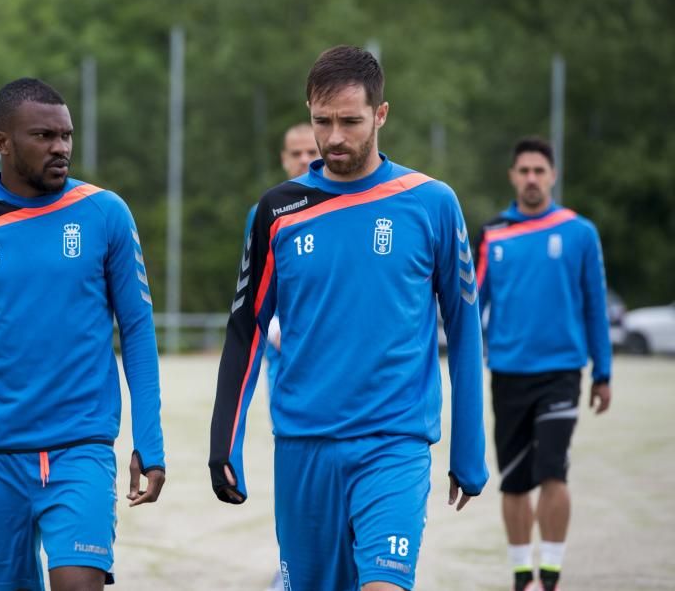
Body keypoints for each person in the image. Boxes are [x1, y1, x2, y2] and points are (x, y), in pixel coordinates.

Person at [209, 44, 488, 591]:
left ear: (381, 116)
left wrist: (469, 448)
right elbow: (245, 329)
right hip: (303, 445)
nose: (335, 137)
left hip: (394, 442)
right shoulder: (276, 212)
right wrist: (226, 439)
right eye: (322, 121)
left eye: (351, 121)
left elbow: (463, 327)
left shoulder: (431, 203)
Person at [0, 78, 165, 590]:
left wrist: (150, 441)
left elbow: (137, 330)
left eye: (67, 135)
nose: (61, 148)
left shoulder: (105, 213)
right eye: (44, 136)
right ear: (2, 143)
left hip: (82, 448)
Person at [476, 137, 612, 591]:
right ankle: (521, 576)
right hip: (508, 373)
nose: (531, 178)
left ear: (552, 175)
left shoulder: (579, 232)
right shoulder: (493, 233)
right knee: (513, 481)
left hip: (561, 373)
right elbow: (470, 307)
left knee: (553, 469)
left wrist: (603, 372)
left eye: (540, 170)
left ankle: (550, 575)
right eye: (524, 171)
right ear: (513, 176)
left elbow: (595, 305)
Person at [243, 123, 320, 388]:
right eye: (296, 153)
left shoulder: (348, 208)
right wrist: (275, 327)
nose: (304, 159)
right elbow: (254, 285)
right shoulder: (264, 213)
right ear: (284, 159)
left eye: (312, 151)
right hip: (285, 354)